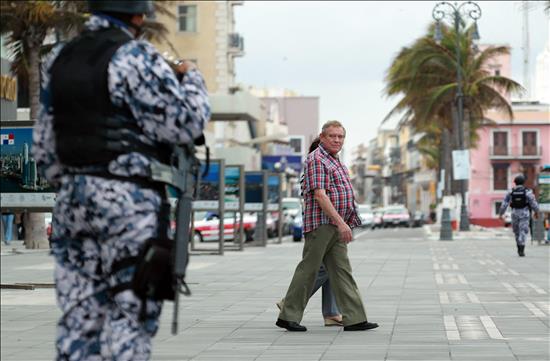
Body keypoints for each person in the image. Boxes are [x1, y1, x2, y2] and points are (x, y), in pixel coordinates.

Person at [32, 1, 209, 359]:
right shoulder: (135, 56)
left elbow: (44, 144)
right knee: (131, 312)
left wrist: (73, 184)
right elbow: (184, 122)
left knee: (78, 317)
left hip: (71, 200)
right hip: (128, 201)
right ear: (138, 16)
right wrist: (191, 77)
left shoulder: (59, 60)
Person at [276, 120, 378, 332]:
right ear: (322, 137)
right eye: (332, 136)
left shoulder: (335, 160)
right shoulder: (317, 159)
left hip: (338, 225)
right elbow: (320, 195)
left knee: (342, 271)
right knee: (309, 270)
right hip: (322, 224)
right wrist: (341, 223)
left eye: (340, 137)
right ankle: (288, 315)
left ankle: (355, 318)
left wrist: (345, 222)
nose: (337, 140)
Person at [277, 136, 343, 327]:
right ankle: (289, 303)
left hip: (330, 224)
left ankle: (331, 312)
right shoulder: (316, 166)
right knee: (319, 268)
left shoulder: (321, 165)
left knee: (331, 267)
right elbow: (320, 196)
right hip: (320, 224)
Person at [499, 175, 539, 257]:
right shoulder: (527, 191)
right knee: (523, 231)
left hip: (514, 213)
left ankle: (518, 247)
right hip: (524, 213)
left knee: (516, 231)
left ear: (515, 182)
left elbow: (504, 204)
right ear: (523, 182)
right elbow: (533, 203)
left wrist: (501, 214)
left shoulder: (511, 192)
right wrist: (536, 212)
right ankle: (522, 249)